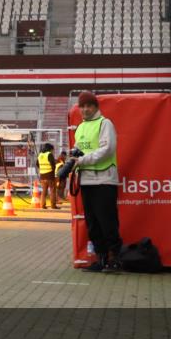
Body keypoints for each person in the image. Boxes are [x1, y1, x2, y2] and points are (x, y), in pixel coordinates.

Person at [65, 91, 122, 272]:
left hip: (105, 180)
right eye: (82, 106)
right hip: (87, 181)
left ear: (96, 107)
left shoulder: (105, 124)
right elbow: (78, 149)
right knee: (93, 223)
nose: (85, 109)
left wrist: (82, 160)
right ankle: (101, 258)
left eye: (89, 106)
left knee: (108, 222)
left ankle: (115, 259)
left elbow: (107, 149)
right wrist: (71, 160)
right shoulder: (80, 127)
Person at [37, 142, 59, 209]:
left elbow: (37, 164)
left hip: (42, 175)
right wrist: (53, 171)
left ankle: (42, 205)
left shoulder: (40, 155)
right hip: (49, 175)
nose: (53, 151)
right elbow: (53, 165)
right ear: (50, 149)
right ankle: (53, 205)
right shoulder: (49, 154)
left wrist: (42, 169)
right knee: (52, 190)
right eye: (53, 149)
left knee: (44, 191)